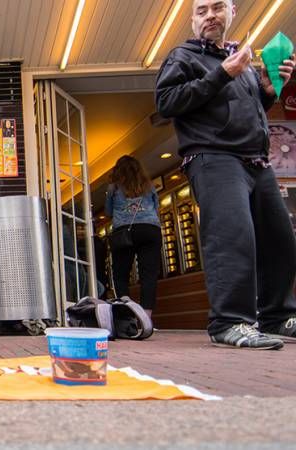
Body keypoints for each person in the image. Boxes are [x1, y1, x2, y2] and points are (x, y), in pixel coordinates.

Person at [155, 0, 296, 349]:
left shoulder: (240, 60)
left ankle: (277, 317)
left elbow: (242, 110)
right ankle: (229, 322)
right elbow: (167, 102)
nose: (210, 16)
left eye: (217, 8)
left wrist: (265, 89)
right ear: (192, 20)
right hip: (213, 157)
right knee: (232, 238)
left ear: (232, 12)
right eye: (201, 11)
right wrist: (222, 74)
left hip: (256, 161)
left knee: (281, 240)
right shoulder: (183, 57)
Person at [104, 156, 162, 319]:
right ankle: (146, 317)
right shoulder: (149, 186)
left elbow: (108, 212)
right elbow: (156, 207)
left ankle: (127, 311)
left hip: (124, 232)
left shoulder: (113, 188)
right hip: (150, 229)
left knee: (120, 274)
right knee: (148, 275)